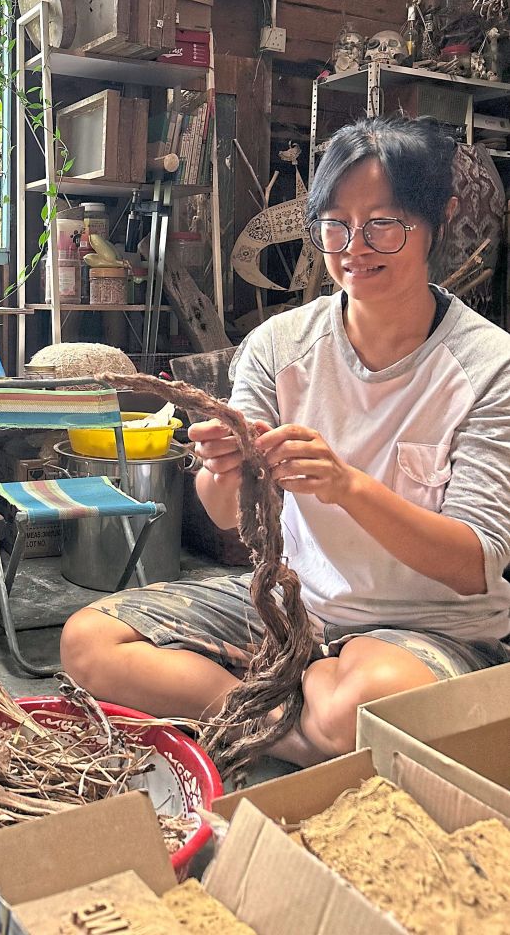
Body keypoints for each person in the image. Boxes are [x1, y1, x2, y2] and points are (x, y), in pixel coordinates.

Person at [61, 116, 510, 765]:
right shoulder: (280, 345)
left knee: (361, 703)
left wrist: (348, 487)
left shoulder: (490, 365)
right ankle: (303, 724)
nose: (354, 246)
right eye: (334, 223)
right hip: (296, 605)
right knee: (88, 643)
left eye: (385, 223)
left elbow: (475, 564)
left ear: (438, 219)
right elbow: (222, 512)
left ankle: (300, 706)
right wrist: (226, 469)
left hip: (429, 625)